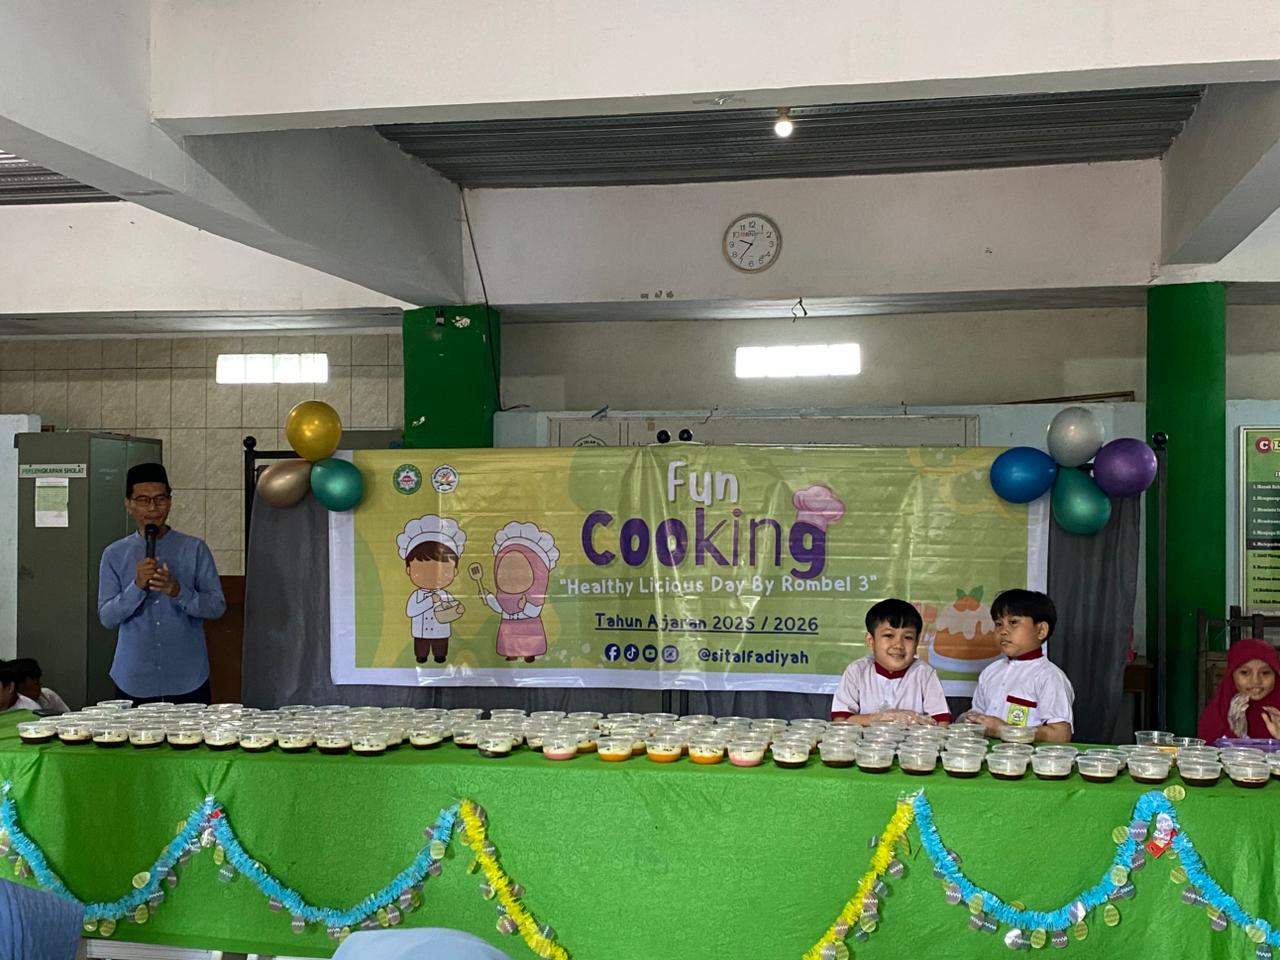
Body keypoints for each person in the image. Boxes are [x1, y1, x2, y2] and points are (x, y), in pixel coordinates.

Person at [97, 463, 226, 705]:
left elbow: (216, 607)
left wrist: (178, 592)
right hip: (134, 678)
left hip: (187, 677)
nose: (153, 508)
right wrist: (136, 586)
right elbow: (107, 617)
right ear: (128, 505)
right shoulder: (114, 554)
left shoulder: (194, 549)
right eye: (143, 500)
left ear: (170, 502)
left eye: (160, 499)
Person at [960, 589, 1073, 742]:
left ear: (1041, 630)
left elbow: (1060, 735)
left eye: (1013, 622)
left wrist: (1006, 730)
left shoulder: (1050, 677)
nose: (1003, 631)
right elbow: (977, 718)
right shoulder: (990, 672)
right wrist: (967, 720)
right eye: (998, 624)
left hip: (1029, 756)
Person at [830, 598, 951, 725]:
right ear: (871, 640)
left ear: (916, 644)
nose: (898, 645)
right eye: (889, 635)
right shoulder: (857, 671)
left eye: (908, 637)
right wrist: (882, 717)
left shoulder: (924, 673)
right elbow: (841, 721)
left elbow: (942, 722)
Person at [397, 515, 467, 665]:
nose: (432, 576)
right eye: (423, 571)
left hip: (441, 630)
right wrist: (430, 601)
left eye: (441, 571)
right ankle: (421, 656)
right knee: (421, 647)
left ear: (455, 571)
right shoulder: (416, 595)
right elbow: (411, 611)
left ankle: (440, 656)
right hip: (420, 630)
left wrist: (458, 609)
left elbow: (450, 608)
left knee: (440, 646)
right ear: (408, 570)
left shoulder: (445, 594)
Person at [1197, 637, 1280, 742]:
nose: (1255, 681)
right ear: (1231, 675)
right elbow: (1206, 749)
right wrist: (1234, 734)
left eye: (1265, 673)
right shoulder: (1218, 713)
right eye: (1244, 672)